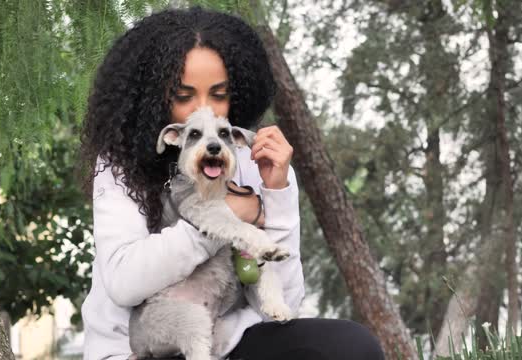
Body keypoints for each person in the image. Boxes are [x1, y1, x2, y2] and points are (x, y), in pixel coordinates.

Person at [78, 6, 384, 360]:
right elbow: (124, 282)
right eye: (183, 96)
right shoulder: (119, 165)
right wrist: (220, 223)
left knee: (350, 346)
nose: (204, 108)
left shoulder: (254, 162)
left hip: (224, 340)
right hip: (137, 347)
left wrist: (278, 192)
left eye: (219, 95)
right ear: (154, 98)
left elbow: (283, 301)